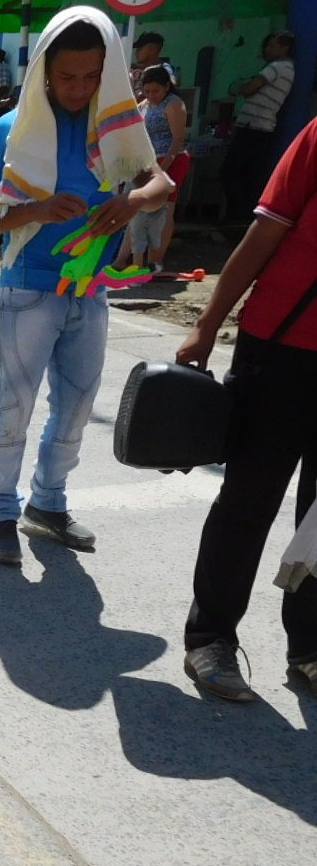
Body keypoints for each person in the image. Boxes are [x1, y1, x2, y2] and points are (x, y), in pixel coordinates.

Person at [0, 6, 170, 565]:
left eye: (91, 76)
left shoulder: (116, 130)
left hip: (90, 291)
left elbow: (162, 181)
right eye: (66, 77)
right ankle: (3, 511)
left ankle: (48, 503)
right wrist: (37, 209)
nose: (78, 89)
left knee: (76, 407)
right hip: (28, 286)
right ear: (43, 74)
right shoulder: (13, 128)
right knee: (13, 407)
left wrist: (130, 202)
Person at [175, 116, 317, 701]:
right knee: (250, 500)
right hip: (281, 350)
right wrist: (207, 325)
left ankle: (309, 646)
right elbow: (262, 235)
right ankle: (209, 638)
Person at [119, 66, 189, 271]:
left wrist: (163, 170)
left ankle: (155, 260)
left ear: (167, 86)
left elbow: (177, 140)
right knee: (135, 211)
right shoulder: (144, 105)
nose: (151, 95)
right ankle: (123, 259)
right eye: (147, 91)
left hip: (170, 161)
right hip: (147, 162)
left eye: (156, 91)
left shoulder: (174, 104)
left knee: (164, 212)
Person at [223, 31, 296, 221]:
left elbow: (248, 90)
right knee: (250, 177)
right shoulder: (289, 69)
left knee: (229, 171)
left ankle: (237, 215)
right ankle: (243, 218)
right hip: (263, 128)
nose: (267, 49)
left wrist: (238, 85)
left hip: (252, 127)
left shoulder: (276, 67)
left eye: (272, 45)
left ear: (284, 47)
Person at [129, 31, 177, 97]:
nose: (137, 52)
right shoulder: (132, 68)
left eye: (140, 49)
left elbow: (172, 83)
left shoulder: (164, 67)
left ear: (152, 49)